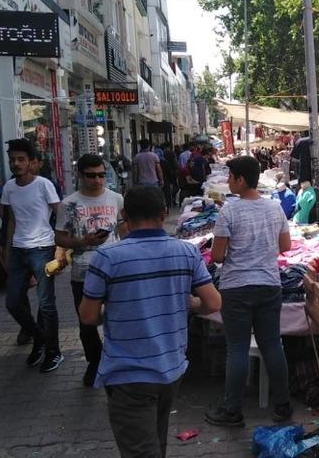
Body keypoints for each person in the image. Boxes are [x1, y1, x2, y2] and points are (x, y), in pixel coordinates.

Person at [80, 185, 220, 457]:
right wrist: (191, 303)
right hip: (171, 368)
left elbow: (88, 316)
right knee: (156, 441)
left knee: (142, 450)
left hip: (128, 374)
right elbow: (213, 303)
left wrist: (116, 311)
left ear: (124, 215)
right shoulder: (186, 252)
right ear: (164, 213)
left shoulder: (107, 258)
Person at [205, 156, 294, 427]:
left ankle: (232, 410)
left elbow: (217, 256)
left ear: (241, 180)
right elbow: (286, 246)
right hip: (269, 285)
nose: (228, 180)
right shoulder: (274, 208)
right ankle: (283, 405)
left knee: (237, 348)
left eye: (230, 176)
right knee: (272, 344)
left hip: (237, 288)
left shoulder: (229, 211)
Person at [54, 154, 126, 386]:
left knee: (118, 316)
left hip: (114, 269)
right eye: (91, 175)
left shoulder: (116, 198)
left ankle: (115, 361)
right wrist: (82, 241)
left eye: (101, 175)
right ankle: (94, 362)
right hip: (83, 271)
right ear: (80, 176)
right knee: (87, 321)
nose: (97, 180)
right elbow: (60, 238)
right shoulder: (68, 204)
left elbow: (123, 229)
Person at [0, 139, 64, 372]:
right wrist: (8, 252)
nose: (16, 163)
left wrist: (61, 247)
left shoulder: (43, 184)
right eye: (12, 160)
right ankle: (39, 337)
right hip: (18, 250)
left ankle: (53, 351)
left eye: (21, 159)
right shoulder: (9, 188)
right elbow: (11, 221)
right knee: (12, 302)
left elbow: (61, 214)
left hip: (43, 248)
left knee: (46, 304)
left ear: (31, 162)